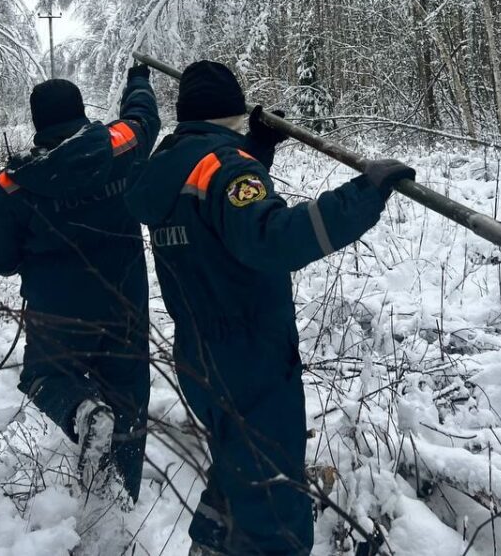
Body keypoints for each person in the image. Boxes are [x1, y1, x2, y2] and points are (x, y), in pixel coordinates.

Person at [124, 60, 413, 556]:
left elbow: (216, 215)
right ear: (233, 111)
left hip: (198, 352)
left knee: (238, 465)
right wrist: (364, 194)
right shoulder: (225, 167)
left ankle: (211, 546)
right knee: (274, 505)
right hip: (251, 357)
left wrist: (253, 148)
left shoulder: (169, 167)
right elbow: (271, 239)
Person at [0, 65, 159, 504]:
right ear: (81, 110)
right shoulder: (122, 145)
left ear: (38, 125)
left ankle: (81, 411)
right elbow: (145, 117)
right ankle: (120, 499)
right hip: (124, 302)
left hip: (57, 308)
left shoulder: (16, 185)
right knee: (128, 399)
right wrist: (138, 80)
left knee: (44, 377)